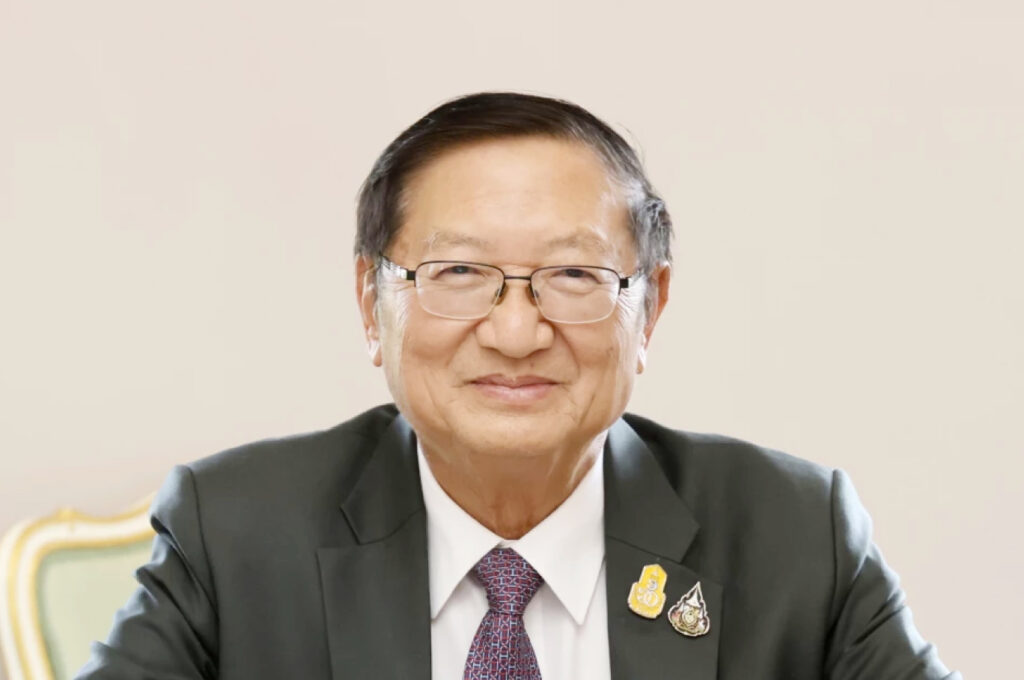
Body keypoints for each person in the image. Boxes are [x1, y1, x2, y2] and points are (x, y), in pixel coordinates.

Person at [75, 92, 960, 680]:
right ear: (371, 302)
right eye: (459, 272)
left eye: (573, 276)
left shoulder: (795, 536)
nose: (515, 331)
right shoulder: (234, 536)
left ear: (649, 308)